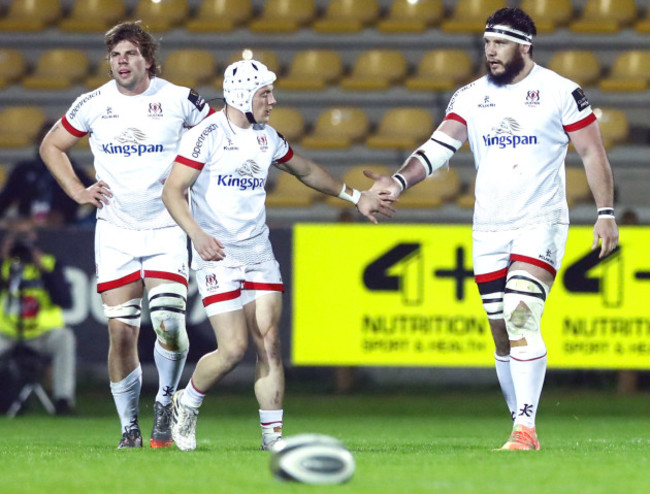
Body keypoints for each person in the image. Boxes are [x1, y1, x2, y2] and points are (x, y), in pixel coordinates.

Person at [365, 7, 619, 450]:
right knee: (501, 330)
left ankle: (525, 429)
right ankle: (520, 422)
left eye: (499, 44)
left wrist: (606, 212)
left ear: (525, 45)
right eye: (486, 44)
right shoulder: (469, 95)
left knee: (522, 312)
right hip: (488, 228)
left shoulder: (561, 91)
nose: (490, 52)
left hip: (540, 221)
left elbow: (593, 153)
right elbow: (439, 145)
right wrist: (400, 179)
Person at [162, 59, 394, 451]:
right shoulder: (207, 135)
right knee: (232, 349)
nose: (273, 99)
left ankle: (273, 439)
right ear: (240, 95)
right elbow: (173, 191)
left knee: (268, 342)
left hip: (258, 252)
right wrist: (196, 235)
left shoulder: (267, 137)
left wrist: (356, 198)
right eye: (265, 93)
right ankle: (186, 403)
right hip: (216, 253)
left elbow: (304, 170)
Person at [39, 21, 214, 448]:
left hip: (166, 227)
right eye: (116, 55)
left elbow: (220, 135)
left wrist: (205, 189)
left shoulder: (177, 99)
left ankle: (166, 401)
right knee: (121, 333)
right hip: (115, 231)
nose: (122, 61)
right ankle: (129, 429)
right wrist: (78, 191)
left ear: (148, 59)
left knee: (169, 323)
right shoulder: (93, 103)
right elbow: (51, 145)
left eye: (131, 53)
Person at [0, 219, 76, 415]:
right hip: (7, 333)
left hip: (41, 334)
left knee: (65, 338)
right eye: (18, 237)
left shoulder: (49, 263)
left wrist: (42, 268)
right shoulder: (4, 265)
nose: (22, 243)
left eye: (26, 236)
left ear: (35, 238)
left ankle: (63, 401)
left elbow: (65, 300)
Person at [0, 121, 94, 227]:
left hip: (64, 233)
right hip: (27, 230)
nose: (51, 147)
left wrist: (78, 224)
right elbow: (4, 200)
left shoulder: (75, 172)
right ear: (38, 142)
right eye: (45, 141)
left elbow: (98, 200)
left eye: (56, 142)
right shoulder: (23, 171)